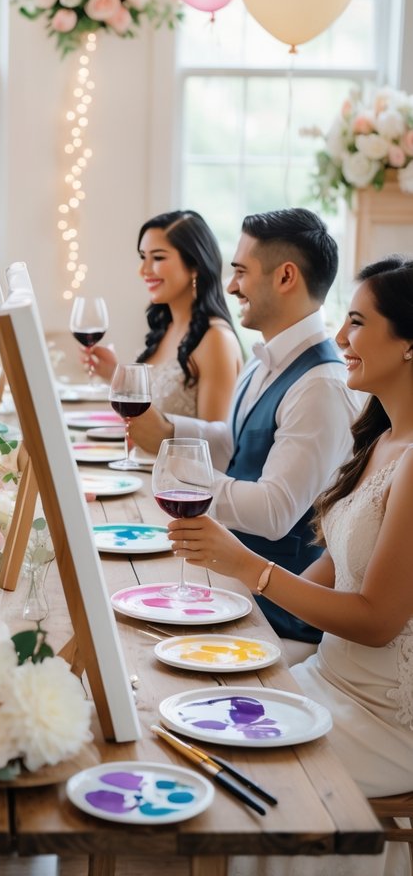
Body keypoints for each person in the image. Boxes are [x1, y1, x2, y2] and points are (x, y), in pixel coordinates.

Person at [168, 255, 413, 876]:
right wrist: (225, 613)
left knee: (238, 766)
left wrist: (247, 566)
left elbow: (377, 620)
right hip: (330, 679)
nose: (340, 340)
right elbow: (324, 577)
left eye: (357, 323)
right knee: (195, 718)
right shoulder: (380, 438)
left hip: (385, 716)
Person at [129, 208, 361, 652]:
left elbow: (275, 512)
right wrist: (167, 431)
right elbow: (235, 444)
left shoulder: (321, 386)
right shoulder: (263, 359)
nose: (231, 285)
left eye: (240, 271)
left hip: (276, 614)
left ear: (286, 277)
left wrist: (183, 478)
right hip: (230, 582)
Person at [86, 209, 243, 419]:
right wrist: (115, 374)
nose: (143, 270)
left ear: (195, 265)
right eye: (143, 257)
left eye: (158, 258)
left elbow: (215, 443)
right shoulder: (166, 328)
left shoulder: (216, 339)